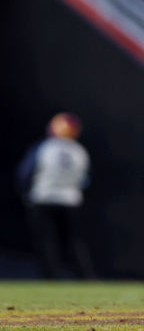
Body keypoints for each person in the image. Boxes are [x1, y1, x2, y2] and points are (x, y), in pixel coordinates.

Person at [16, 113, 94, 279]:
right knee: (74, 242)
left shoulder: (45, 147)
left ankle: (51, 277)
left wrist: (26, 193)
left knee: (46, 241)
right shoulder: (79, 151)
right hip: (70, 200)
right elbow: (85, 180)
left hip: (43, 198)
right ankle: (84, 276)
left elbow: (26, 173)